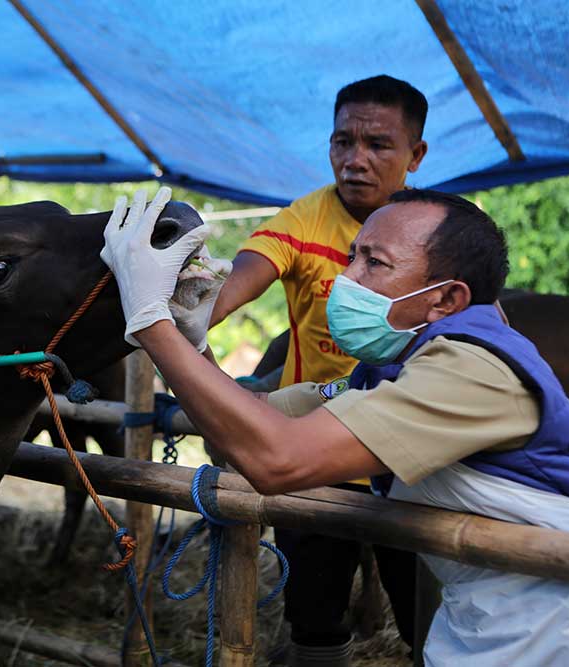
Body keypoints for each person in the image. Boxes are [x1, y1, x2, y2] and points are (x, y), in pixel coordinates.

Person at [100, 186, 569, 667]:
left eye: (373, 263)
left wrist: (151, 321)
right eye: (352, 255)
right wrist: (193, 341)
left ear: (446, 299)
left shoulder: (473, 369)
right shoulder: (392, 371)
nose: (345, 276)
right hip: (495, 608)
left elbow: (278, 459)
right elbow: (251, 421)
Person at [207, 74, 429, 664]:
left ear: (416, 155)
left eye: (379, 145)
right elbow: (240, 280)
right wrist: (194, 316)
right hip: (316, 458)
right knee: (314, 624)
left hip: (412, 460)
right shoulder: (304, 218)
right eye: (342, 142)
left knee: (428, 628)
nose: (356, 159)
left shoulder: (438, 230)